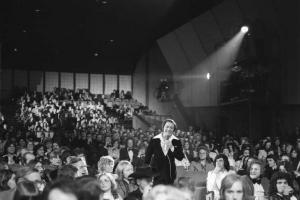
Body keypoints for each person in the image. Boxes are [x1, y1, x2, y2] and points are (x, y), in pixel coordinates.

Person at [144, 119, 184, 185]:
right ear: (163, 127)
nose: (169, 129)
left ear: (174, 130)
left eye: (171, 128)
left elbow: (180, 157)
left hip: (170, 174)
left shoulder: (177, 141)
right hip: (156, 174)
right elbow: (147, 157)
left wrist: (172, 147)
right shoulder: (154, 139)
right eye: (167, 127)